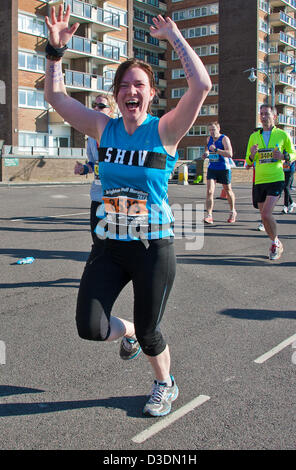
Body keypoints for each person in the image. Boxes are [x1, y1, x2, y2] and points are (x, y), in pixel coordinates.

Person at [44, 5, 211, 417]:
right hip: (110, 244)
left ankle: (164, 383)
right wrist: (54, 51)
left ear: (150, 94)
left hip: (153, 246)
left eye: (140, 85)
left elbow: (202, 85)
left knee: (153, 332)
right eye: (124, 86)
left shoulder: (166, 130)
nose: (131, 91)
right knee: (91, 327)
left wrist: (174, 37)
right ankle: (131, 330)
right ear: (116, 94)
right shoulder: (104, 127)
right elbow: (55, 96)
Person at [246, 104, 296, 260]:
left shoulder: (282, 135)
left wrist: (283, 157)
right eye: (261, 114)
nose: (263, 117)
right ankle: (276, 242)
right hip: (260, 180)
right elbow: (248, 163)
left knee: (267, 214)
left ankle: (275, 244)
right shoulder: (254, 136)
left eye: (266, 114)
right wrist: (252, 155)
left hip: (276, 178)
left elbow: (295, 154)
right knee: (263, 216)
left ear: (274, 117)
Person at [74, 94, 113, 244]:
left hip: (116, 198)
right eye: (94, 105)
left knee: (115, 243)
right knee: (97, 240)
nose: (96, 108)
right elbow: (93, 163)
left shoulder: (118, 132)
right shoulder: (90, 136)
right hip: (97, 196)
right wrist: (84, 168)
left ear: (111, 110)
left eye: (101, 106)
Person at [202, 122, 237, 224]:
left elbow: (230, 154)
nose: (212, 132)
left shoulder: (224, 139)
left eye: (213, 130)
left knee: (228, 190)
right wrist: (206, 154)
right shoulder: (209, 139)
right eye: (210, 130)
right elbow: (208, 150)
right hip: (212, 167)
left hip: (224, 168)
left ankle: (232, 211)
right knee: (209, 191)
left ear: (218, 129)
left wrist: (217, 150)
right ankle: (209, 215)